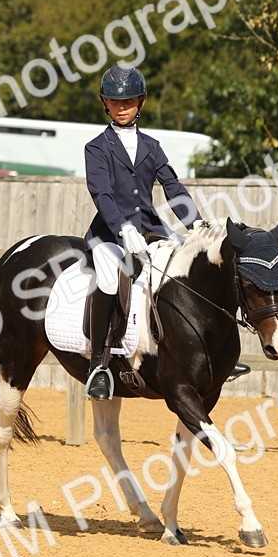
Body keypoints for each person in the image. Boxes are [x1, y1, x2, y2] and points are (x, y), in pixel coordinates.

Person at [82, 64, 200, 400]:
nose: (122, 107)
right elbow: (101, 194)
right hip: (108, 233)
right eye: (115, 101)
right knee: (108, 279)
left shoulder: (152, 145)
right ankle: (98, 365)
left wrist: (195, 224)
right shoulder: (96, 147)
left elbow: (172, 187)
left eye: (129, 101)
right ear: (105, 103)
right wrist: (121, 229)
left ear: (141, 101)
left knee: (180, 274)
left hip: (151, 230)